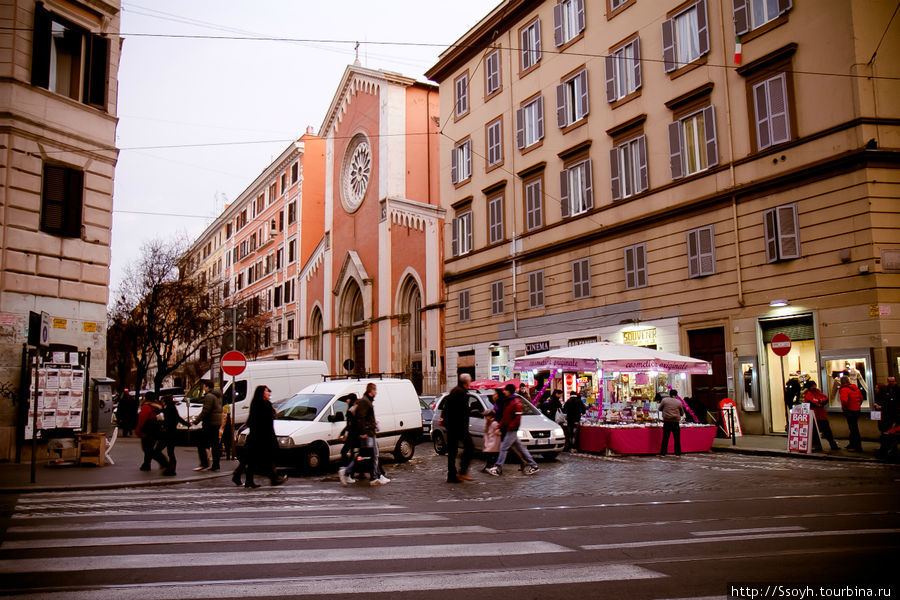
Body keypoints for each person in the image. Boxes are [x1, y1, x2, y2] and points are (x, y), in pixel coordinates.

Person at [486, 384, 539, 476]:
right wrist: (500, 427)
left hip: (512, 429)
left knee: (503, 448)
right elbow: (506, 417)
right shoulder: (509, 401)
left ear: (509, 391)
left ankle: (498, 468)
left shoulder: (515, 402)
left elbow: (517, 418)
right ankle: (533, 465)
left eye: (506, 390)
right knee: (520, 448)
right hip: (510, 428)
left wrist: (509, 427)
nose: (504, 392)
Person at [241, 385, 287, 488]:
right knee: (267, 459)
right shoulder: (264, 404)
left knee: (253, 459)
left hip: (256, 435)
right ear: (262, 393)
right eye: (267, 392)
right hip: (264, 436)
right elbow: (266, 419)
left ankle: (249, 480)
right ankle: (273, 479)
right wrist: (273, 412)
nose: (269, 393)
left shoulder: (255, 403)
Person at [353, 383, 390, 486]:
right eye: (375, 390)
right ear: (371, 391)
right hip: (368, 433)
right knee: (371, 455)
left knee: (373, 455)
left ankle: (377, 475)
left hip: (370, 431)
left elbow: (366, 417)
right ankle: (374, 477)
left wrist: (373, 422)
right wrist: (363, 432)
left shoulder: (367, 401)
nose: (376, 392)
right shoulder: (365, 401)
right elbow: (361, 418)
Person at [441, 373, 475, 483]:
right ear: (467, 382)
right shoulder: (461, 393)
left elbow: (446, 407)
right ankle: (462, 472)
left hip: (452, 426)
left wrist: (444, 420)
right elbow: (462, 413)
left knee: (452, 452)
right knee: (469, 447)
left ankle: (452, 475)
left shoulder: (454, 391)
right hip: (458, 427)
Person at [192, 380, 223, 472]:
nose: (203, 388)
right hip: (216, 422)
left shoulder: (209, 396)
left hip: (210, 423)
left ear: (207, 387)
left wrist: (196, 421)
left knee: (201, 443)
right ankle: (216, 465)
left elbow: (205, 411)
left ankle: (204, 464)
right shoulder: (218, 395)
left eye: (203, 386)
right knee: (215, 444)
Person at [135, 392, 169, 472]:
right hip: (156, 429)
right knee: (149, 447)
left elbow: (142, 419)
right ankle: (146, 464)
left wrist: (138, 430)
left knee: (147, 449)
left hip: (147, 430)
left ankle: (164, 463)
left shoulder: (146, 406)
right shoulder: (157, 406)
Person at [803, 380, 837, 452]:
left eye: (814, 385)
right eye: (812, 386)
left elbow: (825, 399)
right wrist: (820, 402)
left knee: (826, 431)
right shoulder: (809, 393)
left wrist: (819, 401)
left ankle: (832, 444)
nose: (814, 387)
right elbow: (815, 401)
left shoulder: (817, 392)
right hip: (815, 415)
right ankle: (819, 446)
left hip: (820, 414)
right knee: (816, 432)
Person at [160, 393, 189, 475]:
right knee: (170, 451)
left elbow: (173, 419)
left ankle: (171, 468)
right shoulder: (170, 407)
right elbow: (178, 418)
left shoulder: (169, 408)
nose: (161, 403)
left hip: (169, 432)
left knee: (169, 451)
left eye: (162, 401)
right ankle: (170, 468)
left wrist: (161, 423)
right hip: (171, 432)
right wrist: (186, 424)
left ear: (165, 401)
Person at [874, 378, 899, 460]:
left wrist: (880, 407)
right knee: (886, 434)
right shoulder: (882, 395)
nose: (875, 389)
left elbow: (890, 407)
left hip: (887, 418)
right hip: (883, 417)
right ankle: (886, 450)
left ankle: (886, 451)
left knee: (887, 434)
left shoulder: (886, 396)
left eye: (877, 388)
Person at [838, 375, 864, 451]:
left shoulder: (844, 389)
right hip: (856, 410)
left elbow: (844, 400)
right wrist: (857, 405)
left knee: (853, 428)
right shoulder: (855, 388)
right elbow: (861, 399)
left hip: (849, 411)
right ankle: (852, 444)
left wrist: (845, 409)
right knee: (854, 427)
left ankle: (856, 446)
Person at [659, 389, 684, 456]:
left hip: (667, 421)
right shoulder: (679, 402)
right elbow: (682, 412)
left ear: (669, 394)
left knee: (665, 437)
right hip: (675, 422)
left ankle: (663, 453)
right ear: (676, 395)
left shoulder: (664, 400)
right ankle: (677, 453)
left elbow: (660, 408)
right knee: (677, 438)